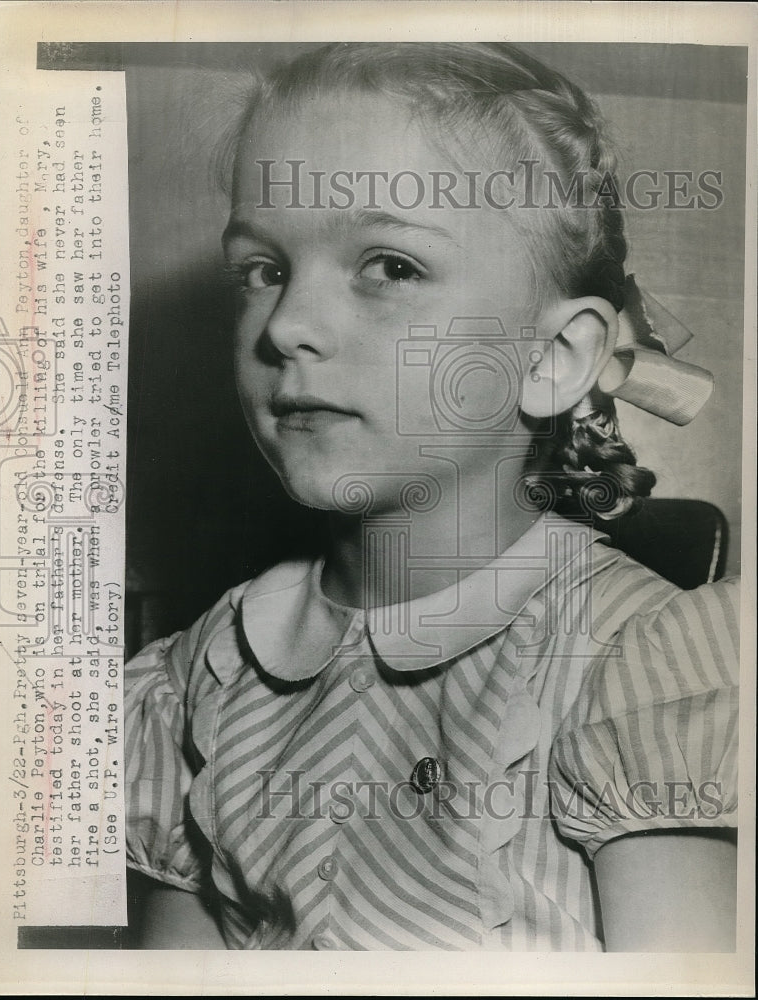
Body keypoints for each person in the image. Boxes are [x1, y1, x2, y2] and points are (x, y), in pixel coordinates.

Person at [124, 42, 739, 951]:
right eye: (261, 269)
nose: (287, 325)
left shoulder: (635, 665)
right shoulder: (202, 676)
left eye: (389, 266)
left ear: (553, 357)